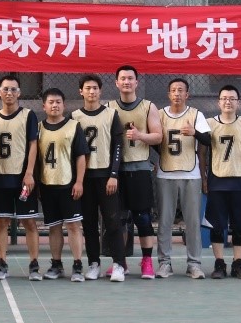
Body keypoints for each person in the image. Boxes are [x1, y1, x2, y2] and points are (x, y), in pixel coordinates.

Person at [107, 65, 163, 279]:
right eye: (123, 78)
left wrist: (140, 136)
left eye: (130, 78)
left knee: (143, 218)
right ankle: (120, 262)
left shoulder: (148, 106)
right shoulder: (109, 107)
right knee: (118, 219)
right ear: (116, 83)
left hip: (139, 169)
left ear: (137, 82)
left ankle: (147, 260)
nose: (127, 82)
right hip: (116, 171)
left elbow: (158, 136)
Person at [70, 75, 125, 281]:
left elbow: (118, 146)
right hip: (85, 177)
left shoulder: (111, 114)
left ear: (100, 91)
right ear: (81, 91)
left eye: (95, 88)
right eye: (87, 88)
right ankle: (94, 263)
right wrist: (76, 179)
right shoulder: (74, 116)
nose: (91, 92)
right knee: (89, 223)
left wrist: (113, 174)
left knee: (113, 221)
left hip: (106, 176)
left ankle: (119, 264)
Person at [0, 74, 42, 280]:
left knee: (29, 222)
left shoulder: (28, 115)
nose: (9, 93)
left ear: (19, 93)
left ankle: (34, 264)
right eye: (6, 89)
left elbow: (33, 145)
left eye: (13, 89)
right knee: (1, 222)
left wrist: (29, 173)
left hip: (22, 178)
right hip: (0, 176)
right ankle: (2, 263)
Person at [202, 85, 241, 280]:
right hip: (217, 180)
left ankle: (238, 263)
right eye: (224, 98)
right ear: (218, 102)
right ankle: (219, 263)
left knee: (240, 226)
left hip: (240, 180)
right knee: (216, 225)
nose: (228, 102)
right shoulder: (209, 123)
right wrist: (204, 177)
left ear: (238, 102)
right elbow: (202, 153)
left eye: (232, 99)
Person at [155, 78, 207, 279]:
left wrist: (195, 133)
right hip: (166, 173)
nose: (177, 93)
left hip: (190, 174)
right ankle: (164, 263)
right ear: (169, 94)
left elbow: (208, 139)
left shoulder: (196, 115)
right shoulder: (160, 114)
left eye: (181, 90)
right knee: (165, 221)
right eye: (173, 90)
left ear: (187, 94)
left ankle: (194, 263)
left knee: (192, 222)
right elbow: (154, 141)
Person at [36, 88, 90, 282]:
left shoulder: (73, 126)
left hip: (68, 185)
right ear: (44, 106)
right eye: (51, 102)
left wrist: (79, 182)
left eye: (58, 102)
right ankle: (56, 264)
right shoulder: (38, 128)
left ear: (64, 105)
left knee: (74, 226)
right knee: (54, 227)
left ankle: (77, 265)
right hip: (47, 184)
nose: (55, 105)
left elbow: (81, 156)